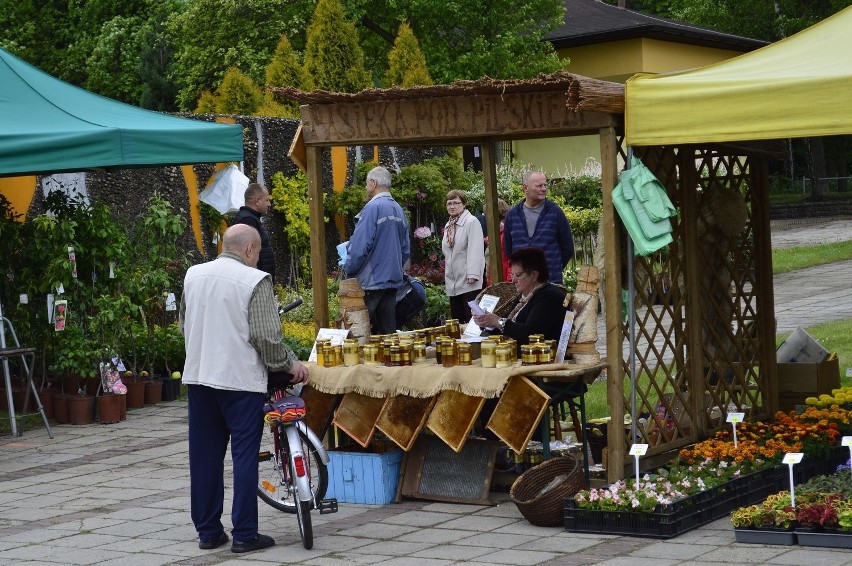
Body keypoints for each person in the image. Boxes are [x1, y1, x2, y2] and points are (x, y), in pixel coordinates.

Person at [180, 224, 309, 554]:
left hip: (199, 377)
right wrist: (290, 365)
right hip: (240, 382)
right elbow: (267, 338)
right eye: (258, 254)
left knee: (205, 457)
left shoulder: (193, 275)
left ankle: (208, 532)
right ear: (250, 250)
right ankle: (245, 534)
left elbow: (185, 325)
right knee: (244, 455)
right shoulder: (254, 281)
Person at [344, 166, 410, 334]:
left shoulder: (372, 208)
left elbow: (359, 248)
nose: (366, 187)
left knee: (363, 335)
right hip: (393, 280)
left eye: (367, 183)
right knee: (388, 334)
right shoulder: (398, 209)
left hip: (371, 282)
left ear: (373, 183)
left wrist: (349, 272)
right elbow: (405, 249)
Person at [472, 247, 567, 353]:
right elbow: (508, 327)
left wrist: (497, 321)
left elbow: (530, 334)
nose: (513, 280)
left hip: (540, 359)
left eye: (518, 275)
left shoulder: (549, 298)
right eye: (512, 275)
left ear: (534, 275)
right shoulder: (523, 297)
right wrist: (487, 322)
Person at [503, 170, 574, 285]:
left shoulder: (555, 212)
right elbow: (508, 250)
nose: (544, 189)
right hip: (523, 285)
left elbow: (568, 247)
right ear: (526, 188)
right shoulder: (512, 215)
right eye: (539, 185)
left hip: (550, 283)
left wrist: (553, 268)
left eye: (545, 185)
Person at [442, 189, 484, 322]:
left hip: (468, 280)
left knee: (472, 320)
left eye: (456, 203)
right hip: (453, 281)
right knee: (457, 321)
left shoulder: (471, 222)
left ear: (464, 204)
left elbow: (476, 249)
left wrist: (473, 274)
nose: (452, 206)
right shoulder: (449, 225)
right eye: (449, 203)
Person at [232, 182, 275, 280]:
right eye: (267, 200)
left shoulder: (251, 218)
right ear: (257, 201)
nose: (269, 204)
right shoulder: (247, 220)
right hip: (255, 281)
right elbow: (248, 254)